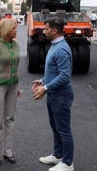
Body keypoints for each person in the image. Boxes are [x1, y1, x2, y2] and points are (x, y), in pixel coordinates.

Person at [32, 17, 74, 171]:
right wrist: (43, 81)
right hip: (53, 94)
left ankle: (68, 163)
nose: (44, 31)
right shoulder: (55, 45)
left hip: (61, 96)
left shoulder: (61, 49)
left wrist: (46, 88)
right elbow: (54, 71)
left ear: (54, 31)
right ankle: (58, 156)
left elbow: (64, 75)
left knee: (64, 129)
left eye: (46, 29)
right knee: (55, 127)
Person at [0, 18, 20, 166]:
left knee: (9, 119)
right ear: (6, 30)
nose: (16, 30)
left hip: (12, 86)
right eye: (14, 28)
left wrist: (18, 86)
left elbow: (17, 67)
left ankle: (8, 151)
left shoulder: (16, 45)